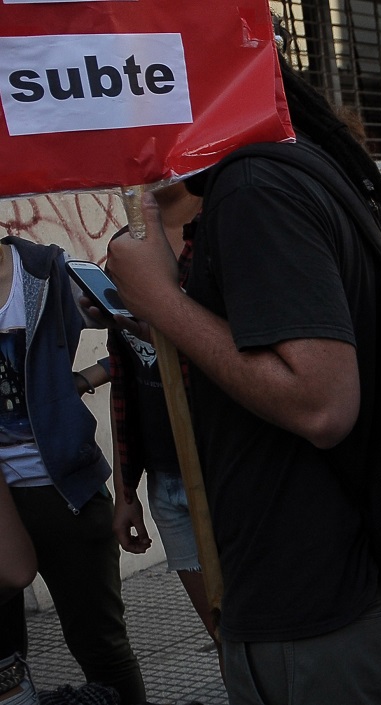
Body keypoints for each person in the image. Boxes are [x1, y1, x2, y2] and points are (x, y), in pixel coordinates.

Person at [103, 34, 381, 705]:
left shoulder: (257, 186)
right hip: (342, 589)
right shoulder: (297, 168)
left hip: (320, 611)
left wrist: (165, 303)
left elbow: (321, 401)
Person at [0, 236, 145, 704]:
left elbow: (137, 329)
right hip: (2, 499)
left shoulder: (45, 270)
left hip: (66, 486)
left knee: (101, 646)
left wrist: (88, 377)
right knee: (4, 663)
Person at [103, 183, 224, 672]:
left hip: (229, 471)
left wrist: (167, 322)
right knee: (224, 639)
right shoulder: (125, 251)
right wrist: (125, 489)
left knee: (265, 636)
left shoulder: (221, 236)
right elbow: (125, 382)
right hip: (168, 482)